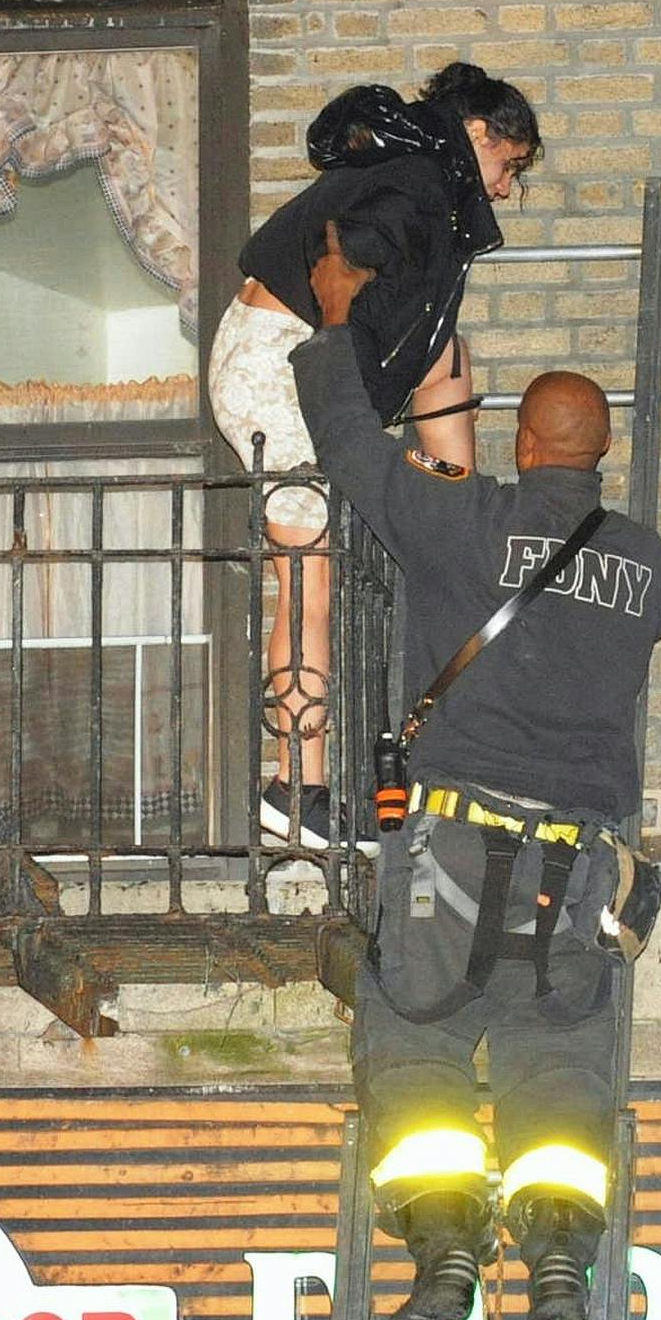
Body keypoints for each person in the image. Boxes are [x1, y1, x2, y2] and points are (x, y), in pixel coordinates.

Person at [294, 222, 661, 1320]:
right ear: (599, 453)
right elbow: (644, 612)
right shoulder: (643, 564)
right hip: (571, 871)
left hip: (449, 855)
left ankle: (443, 1271)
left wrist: (332, 322)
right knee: (557, 1065)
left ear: (521, 442)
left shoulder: (465, 524)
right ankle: (559, 1285)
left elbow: (349, 452)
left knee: (412, 1041)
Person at [210, 62, 538, 849]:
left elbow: (413, 331)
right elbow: (342, 271)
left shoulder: (420, 176)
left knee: (446, 351)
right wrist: (342, 365)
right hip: (280, 367)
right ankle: (294, 787)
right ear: (480, 135)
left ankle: (449, 519)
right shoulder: (423, 180)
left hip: (281, 359)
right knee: (305, 579)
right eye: (510, 165)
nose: (505, 188)